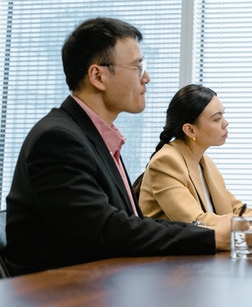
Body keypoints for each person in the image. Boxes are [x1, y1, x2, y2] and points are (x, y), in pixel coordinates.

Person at [5, 17, 230, 276]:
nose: (146, 78)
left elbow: (130, 224)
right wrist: (210, 237)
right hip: (62, 294)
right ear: (98, 76)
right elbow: (107, 231)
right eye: (137, 67)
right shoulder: (58, 139)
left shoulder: (96, 138)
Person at [137, 84, 252, 227]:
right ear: (190, 129)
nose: (225, 123)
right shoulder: (166, 161)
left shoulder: (205, 163)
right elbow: (196, 222)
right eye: (216, 118)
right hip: (169, 265)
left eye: (223, 115)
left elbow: (237, 211)